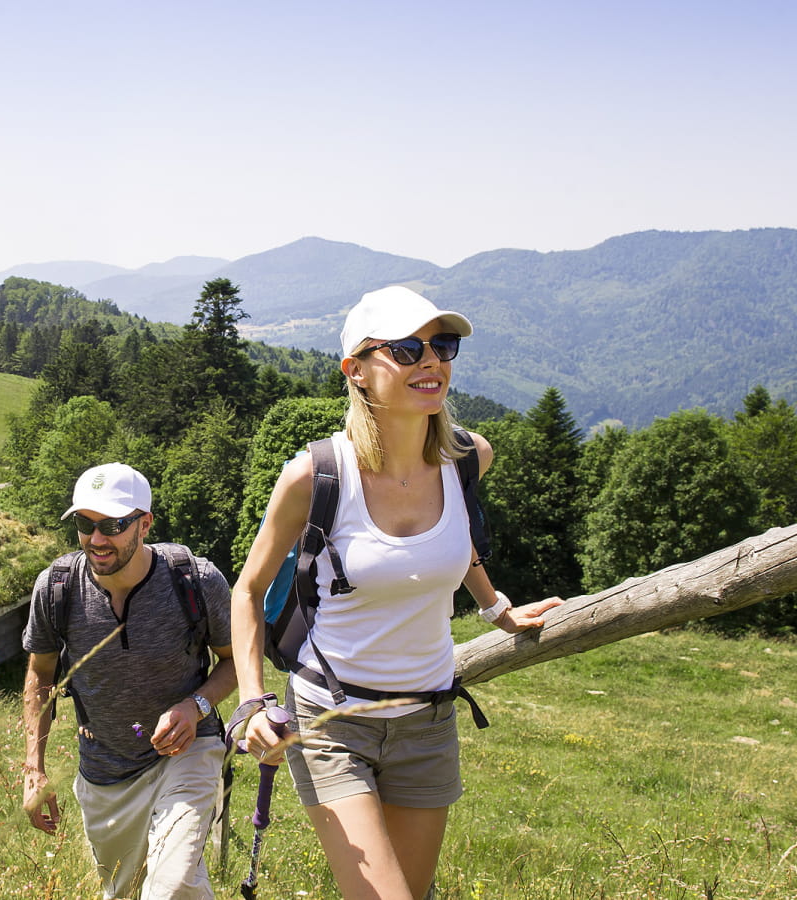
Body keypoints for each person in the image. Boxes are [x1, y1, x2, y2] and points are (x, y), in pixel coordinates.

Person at [230, 285, 564, 900]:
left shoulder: (468, 460)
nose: (430, 361)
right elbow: (247, 591)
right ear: (355, 371)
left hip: (428, 720)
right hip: (332, 718)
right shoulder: (317, 476)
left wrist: (499, 610)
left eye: (442, 345)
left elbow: (454, 544)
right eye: (407, 349)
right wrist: (251, 703)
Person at [22, 462, 237, 900]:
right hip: (106, 774)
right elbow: (40, 675)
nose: (96, 540)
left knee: (171, 885)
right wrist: (34, 767)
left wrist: (194, 707)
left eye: (113, 525)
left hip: (186, 754)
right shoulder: (57, 588)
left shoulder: (195, 580)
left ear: (145, 524)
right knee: (128, 891)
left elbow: (237, 662)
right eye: (85, 524)